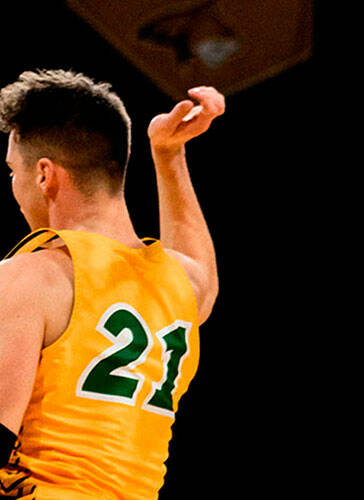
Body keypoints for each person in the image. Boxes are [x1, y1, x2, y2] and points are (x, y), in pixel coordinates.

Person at [0, 70, 224, 499]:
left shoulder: (33, 276)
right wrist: (169, 153)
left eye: (12, 171)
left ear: (45, 175)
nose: (13, 185)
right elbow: (204, 272)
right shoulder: (182, 286)